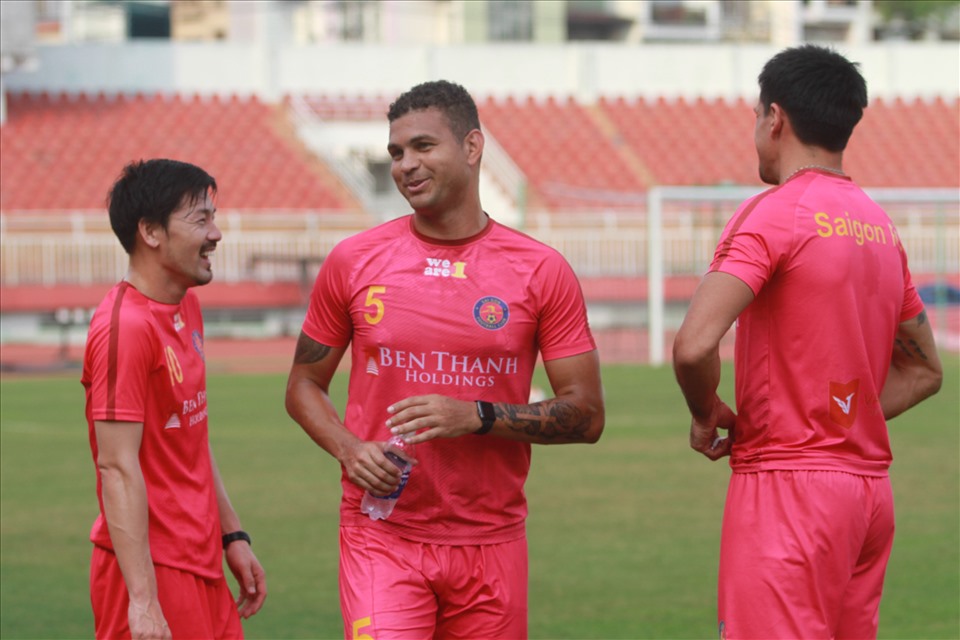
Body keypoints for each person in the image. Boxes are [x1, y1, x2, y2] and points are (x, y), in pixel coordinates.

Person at [285, 80, 604, 639]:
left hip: (491, 542)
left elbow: (587, 416)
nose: (406, 164)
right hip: (382, 534)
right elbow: (303, 386)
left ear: (473, 147)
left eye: (423, 147)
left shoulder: (540, 271)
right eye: (396, 153)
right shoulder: (353, 261)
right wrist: (349, 449)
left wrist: (475, 416)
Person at [673, 45, 943, 639]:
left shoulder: (773, 214)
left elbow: (694, 345)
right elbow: (926, 372)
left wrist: (705, 414)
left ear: (775, 117)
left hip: (789, 488)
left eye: (754, 116)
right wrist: (844, 415)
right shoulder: (880, 227)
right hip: (869, 497)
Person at [82, 159, 267, 639]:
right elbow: (116, 467)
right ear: (150, 231)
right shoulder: (126, 327)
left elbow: (192, 436)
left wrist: (232, 535)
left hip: (201, 557)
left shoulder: (186, 302)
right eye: (200, 219)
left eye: (214, 217)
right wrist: (143, 602)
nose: (216, 233)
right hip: (150, 569)